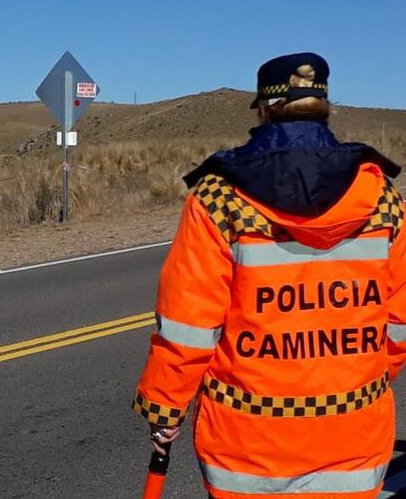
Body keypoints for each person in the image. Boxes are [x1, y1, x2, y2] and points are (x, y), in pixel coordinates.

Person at [134, 52, 406, 499]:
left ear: (264, 108)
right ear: (325, 106)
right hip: (355, 427)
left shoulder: (219, 197)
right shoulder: (380, 196)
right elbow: (398, 322)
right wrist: (358, 378)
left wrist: (165, 408)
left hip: (249, 439)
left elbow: (188, 325)